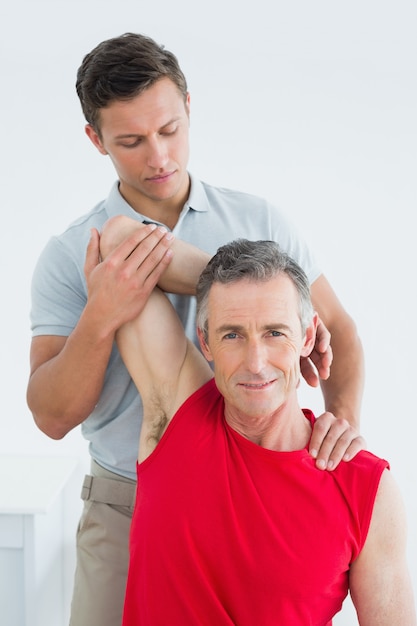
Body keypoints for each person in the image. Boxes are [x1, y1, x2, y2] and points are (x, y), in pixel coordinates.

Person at [26, 33, 365, 626]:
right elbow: (51, 416)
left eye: (170, 129)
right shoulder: (73, 253)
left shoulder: (258, 222)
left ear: (189, 106)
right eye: (130, 141)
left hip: (255, 492)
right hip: (127, 502)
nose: (158, 156)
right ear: (95, 139)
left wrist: (342, 430)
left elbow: (342, 332)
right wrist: (103, 313)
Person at [98, 224, 415, 626]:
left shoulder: (366, 489)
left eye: (275, 332)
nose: (256, 362)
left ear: (307, 337)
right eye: (232, 334)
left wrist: (255, 301)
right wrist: (225, 290)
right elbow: (118, 242)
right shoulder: (175, 411)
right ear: (206, 342)